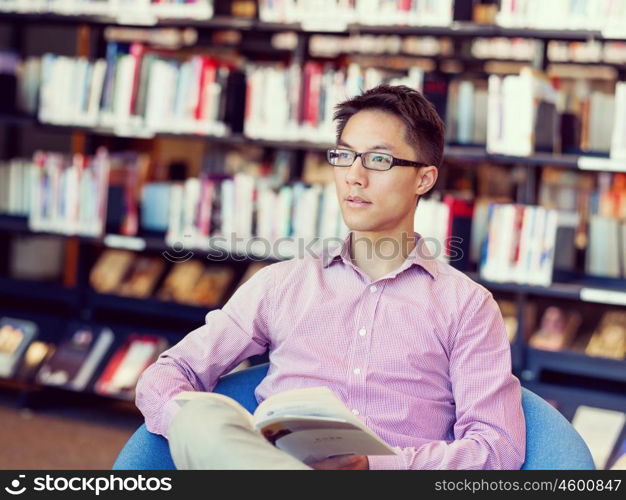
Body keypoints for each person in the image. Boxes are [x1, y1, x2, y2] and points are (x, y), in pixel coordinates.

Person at [135, 84, 526, 470]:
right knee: (203, 418)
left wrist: (374, 467)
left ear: (423, 179)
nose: (354, 176)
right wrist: (194, 428)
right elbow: (169, 373)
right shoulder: (281, 285)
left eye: (378, 160)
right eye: (344, 156)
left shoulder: (467, 306)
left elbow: (497, 446)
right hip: (270, 467)